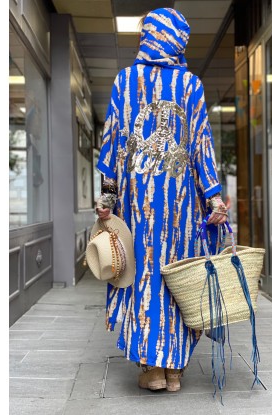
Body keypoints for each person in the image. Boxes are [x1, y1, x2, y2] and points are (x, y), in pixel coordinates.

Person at [95, 7, 228, 392]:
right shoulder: (190, 84)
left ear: (150, 37)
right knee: (179, 276)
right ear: (178, 40)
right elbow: (202, 146)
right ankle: (174, 368)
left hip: (137, 209)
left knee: (142, 278)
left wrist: (108, 197)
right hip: (181, 208)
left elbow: (113, 145)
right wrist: (214, 198)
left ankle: (152, 367)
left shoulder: (125, 81)